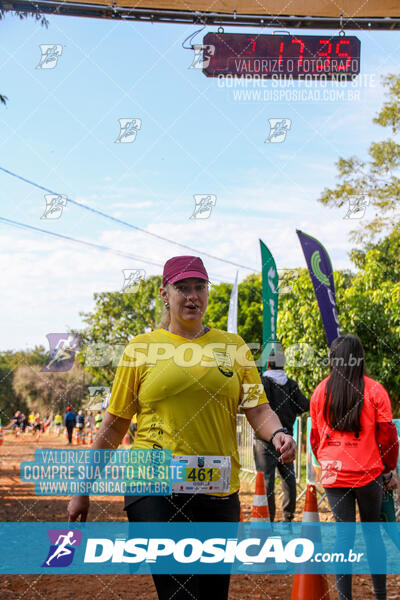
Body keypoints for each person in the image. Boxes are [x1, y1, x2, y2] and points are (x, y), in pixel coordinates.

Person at [68, 255, 296, 600]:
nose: (193, 296)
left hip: (218, 488)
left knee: (212, 592)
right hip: (153, 482)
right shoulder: (140, 349)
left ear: (207, 292)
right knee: (179, 591)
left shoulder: (233, 348)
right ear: (165, 293)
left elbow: (259, 409)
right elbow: (113, 426)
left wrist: (278, 433)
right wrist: (82, 489)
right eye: (183, 288)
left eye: (200, 287)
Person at [310, 334, 399, 600]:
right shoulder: (375, 391)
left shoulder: (319, 391)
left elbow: (315, 439)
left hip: (334, 474)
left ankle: (345, 597)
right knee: (373, 534)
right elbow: (388, 437)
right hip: (369, 473)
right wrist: (389, 470)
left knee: (343, 538)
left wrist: (327, 461)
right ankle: (381, 596)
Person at [253, 346, 309, 521]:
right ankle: (288, 516)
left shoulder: (263, 382)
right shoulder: (291, 385)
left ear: (268, 365)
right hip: (286, 438)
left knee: (266, 479)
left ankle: (268, 518)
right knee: (288, 477)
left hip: (264, 439)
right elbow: (304, 406)